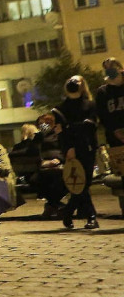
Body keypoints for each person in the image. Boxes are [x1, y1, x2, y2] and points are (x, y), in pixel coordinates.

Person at [53, 76, 100, 229]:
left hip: (88, 147)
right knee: (80, 183)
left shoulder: (90, 104)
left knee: (85, 183)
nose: (73, 83)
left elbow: (91, 126)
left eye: (77, 81)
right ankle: (91, 217)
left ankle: (68, 211)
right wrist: (68, 147)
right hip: (72, 150)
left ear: (83, 85)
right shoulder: (60, 109)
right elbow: (61, 133)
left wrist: (69, 127)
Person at [32, 115, 67, 218]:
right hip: (43, 167)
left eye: (45, 123)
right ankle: (55, 204)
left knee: (58, 179)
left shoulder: (59, 135)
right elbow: (33, 152)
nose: (42, 126)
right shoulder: (38, 137)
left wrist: (59, 159)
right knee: (34, 180)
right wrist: (42, 162)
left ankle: (52, 205)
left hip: (60, 166)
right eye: (39, 124)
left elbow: (65, 149)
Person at [96, 57, 124, 148]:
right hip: (115, 139)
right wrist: (115, 130)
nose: (109, 71)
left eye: (112, 67)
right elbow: (103, 115)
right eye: (106, 68)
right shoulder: (103, 92)